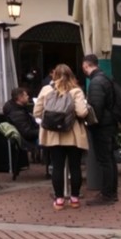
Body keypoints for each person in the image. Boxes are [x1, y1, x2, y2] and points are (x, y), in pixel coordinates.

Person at [33, 64, 90, 211]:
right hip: (73, 134)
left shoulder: (46, 90)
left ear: (54, 75)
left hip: (53, 134)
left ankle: (59, 200)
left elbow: (36, 111)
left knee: (57, 167)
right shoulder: (76, 91)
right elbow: (82, 112)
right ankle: (75, 199)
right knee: (75, 167)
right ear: (71, 75)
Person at [81, 54, 119, 205]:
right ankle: (111, 191)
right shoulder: (106, 78)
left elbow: (96, 108)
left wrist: (88, 122)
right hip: (109, 124)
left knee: (105, 160)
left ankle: (107, 194)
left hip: (102, 126)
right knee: (109, 159)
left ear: (86, 66)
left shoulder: (96, 82)